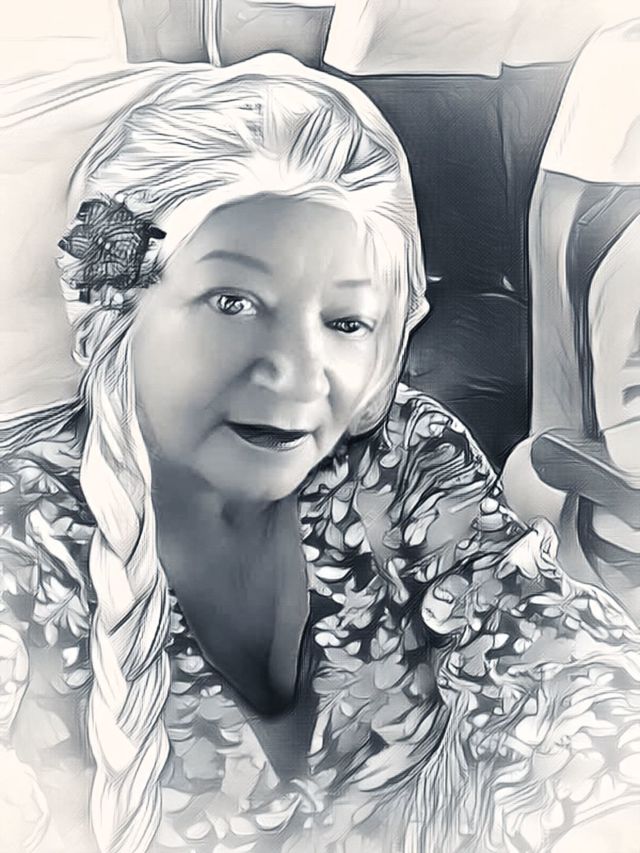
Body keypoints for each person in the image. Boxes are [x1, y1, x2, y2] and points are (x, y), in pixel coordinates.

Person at [0, 54, 639, 853]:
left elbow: (549, 649)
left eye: (345, 323)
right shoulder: (21, 536)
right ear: (115, 308)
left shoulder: (399, 459)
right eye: (233, 302)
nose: (300, 375)